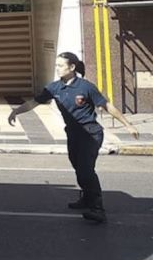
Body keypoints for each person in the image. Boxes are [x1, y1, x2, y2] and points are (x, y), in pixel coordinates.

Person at [8, 52, 140, 223]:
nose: (57, 69)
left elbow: (106, 105)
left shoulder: (86, 87)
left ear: (72, 67)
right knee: (78, 167)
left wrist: (128, 124)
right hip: (73, 134)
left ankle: (98, 208)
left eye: (60, 65)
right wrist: (16, 111)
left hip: (91, 134)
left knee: (86, 170)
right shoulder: (54, 88)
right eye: (56, 65)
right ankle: (86, 198)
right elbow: (35, 102)